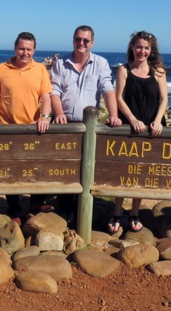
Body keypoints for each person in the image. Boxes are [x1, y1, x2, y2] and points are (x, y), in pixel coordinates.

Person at [50, 25, 122, 222]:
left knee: (86, 165)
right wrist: (57, 113)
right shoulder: (60, 63)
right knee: (64, 167)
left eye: (85, 40)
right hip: (63, 123)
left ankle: (82, 207)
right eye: (77, 39)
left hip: (88, 126)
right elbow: (54, 91)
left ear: (92, 42)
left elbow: (108, 90)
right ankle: (66, 209)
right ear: (73, 40)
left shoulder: (101, 63)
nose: (81, 43)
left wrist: (114, 115)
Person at [110, 31, 168, 233]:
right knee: (123, 170)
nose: (142, 51)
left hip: (152, 128)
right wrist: (133, 119)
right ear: (132, 48)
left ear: (151, 50)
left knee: (141, 171)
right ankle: (117, 211)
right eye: (139, 47)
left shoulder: (158, 70)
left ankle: (134, 212)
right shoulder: (124, 70)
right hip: (129, 127)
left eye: (146, 47)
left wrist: (158, 120)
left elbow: (164, 99)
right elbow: (119, 98)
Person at [0, 32, 52, 223]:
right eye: (21, 48)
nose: (25, 53)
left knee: (34, 166)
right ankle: (14, 209)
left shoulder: (40, 69)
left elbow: (45, 96)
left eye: (28, 49)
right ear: (15, 48)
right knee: (11, 171)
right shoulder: (2, 68)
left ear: (34, 50)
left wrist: (44, 116)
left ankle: (35, 203)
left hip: (32, 128)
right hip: (6, 128)